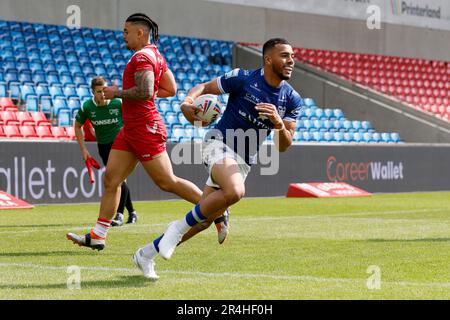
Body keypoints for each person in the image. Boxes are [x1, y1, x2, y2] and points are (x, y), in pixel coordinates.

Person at [132, 38, 303, 279]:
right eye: (285, 55)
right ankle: (176, 228)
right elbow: (204, 87)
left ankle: (146, 254)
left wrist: (277, 124)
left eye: (292, 56)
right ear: (268, 59)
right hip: (218, 143)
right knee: (235, 191)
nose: (291, 60)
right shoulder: (244, 78)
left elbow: (284, 145)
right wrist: (187, 103)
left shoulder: (291, 99)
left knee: (202, 221)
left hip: (243, 161)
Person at [67, 13, 228, 250]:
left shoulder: (142, 57)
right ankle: (99, 234)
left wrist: (116, 93)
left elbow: (144, 91)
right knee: (112, 179)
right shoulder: (156, 55)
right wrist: (146, 91)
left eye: (126, 31)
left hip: (145, 127)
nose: (123, 36)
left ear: (139, 33)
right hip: (131, 128)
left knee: (167, 182)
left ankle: (218, 210)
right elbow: (170, 89)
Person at [74, 76, 138, 226]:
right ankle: (132, 212)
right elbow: (77, 126)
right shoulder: (87, 107)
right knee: (117, 181)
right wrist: (84, 150)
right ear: (92, 92)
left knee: (118, 180)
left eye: (104, 90)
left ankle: (119, 214)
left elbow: (132, 119)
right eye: (98, 91)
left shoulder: (117, 103)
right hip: (103, 147)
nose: (102, 94)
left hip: (121, 146)